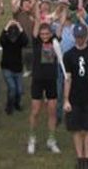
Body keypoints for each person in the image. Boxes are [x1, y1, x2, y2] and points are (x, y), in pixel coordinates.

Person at [63, 23, 88, 169]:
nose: (79, 39)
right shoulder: (68, 55)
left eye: (82, 37)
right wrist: (66, 99)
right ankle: (80, 158)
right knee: (76, 129)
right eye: (77, 37)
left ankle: (87, 158)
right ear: (74, 37)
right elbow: (68, 78)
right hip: (74, 96)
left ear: (86, 36)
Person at [27, 19, 62, 155]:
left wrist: (64, 9)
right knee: (35, 111)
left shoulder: (54, 41)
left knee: (52, 112)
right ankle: (32, 138)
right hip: (37, 80)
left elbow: (60, 27)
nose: (44, 36)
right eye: (42, 34)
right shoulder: (36, 42)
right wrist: (36, 4)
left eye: (47, 34)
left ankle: (51, 140)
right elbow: (36, 26)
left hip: (51, 80)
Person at [0, 18, 28, 115]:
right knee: (12, 88)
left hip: (18, 68)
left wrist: (20, 27)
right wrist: (6, 26)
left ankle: (16, 104)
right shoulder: (5, 40)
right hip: (7, 68)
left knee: (19, 91)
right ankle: (9, 107)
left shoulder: (20, 40)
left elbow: (26, 41)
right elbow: (1, 39)